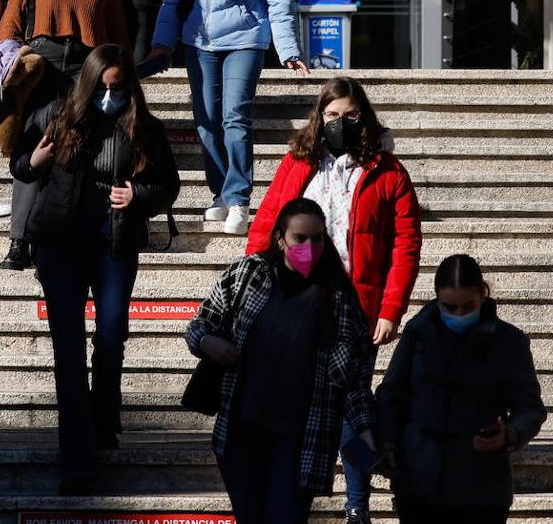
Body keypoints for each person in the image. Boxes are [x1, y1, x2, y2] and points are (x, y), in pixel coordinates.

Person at [247, 76, 422, 524]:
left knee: (353, 398)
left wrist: (390, 310)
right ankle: (296, 496)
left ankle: (357, 505)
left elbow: (405, 245)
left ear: (363, 116)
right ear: (317, 117)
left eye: (349, 115)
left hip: (357, 306)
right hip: (298, 301)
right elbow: (268, 222)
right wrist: (255, 287)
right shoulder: (297, 162)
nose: (339, 123)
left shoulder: (388, 171)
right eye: (330, 116)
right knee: (305, 402)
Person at [11, 44, 179, 494]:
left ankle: (103, 420)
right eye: (103, 87)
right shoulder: (55, 116)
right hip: (60, 243)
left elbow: (168, 185)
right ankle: (79, 461)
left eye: (119, 87)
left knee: (109, 337)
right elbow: (20, 165)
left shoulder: (143, 127)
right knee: (68, 349)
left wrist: (138, 197)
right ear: (88, 84)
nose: (111, 95)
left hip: (114, 240)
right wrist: (36, 162)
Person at [186, 198, 377, 524]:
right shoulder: (247, 275)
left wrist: (367, 432)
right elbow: (200, 324)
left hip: (300, 440)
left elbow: (351, 378)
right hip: (241, 433)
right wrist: (208, 342)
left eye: (317, 238)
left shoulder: (338, 299)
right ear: (280, 239)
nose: (310, 247)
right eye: (299, 239)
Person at [143, 0, 306, 236]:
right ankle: (219, 192)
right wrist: (162, 42)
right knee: (206, 119)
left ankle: (238, 199)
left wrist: (288, 49)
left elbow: (279, 1)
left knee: (234, 115)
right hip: (199, 42)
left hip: (244, 41)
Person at [0, 0, 131, 269]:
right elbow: (11, 17)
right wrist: (2, 68)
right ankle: (20, 240)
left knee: (72, 150)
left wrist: (124, 76)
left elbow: (118, 32)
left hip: (87, 65)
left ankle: (56, 237)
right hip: (42, 63)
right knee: (33, 148)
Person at [378, 255, 546, 524]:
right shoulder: (418, 332)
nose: (458, 314)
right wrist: (387, 444)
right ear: (436, 298)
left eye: (468, 306)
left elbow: (530, 408)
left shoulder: (509, 341)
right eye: (449, 307)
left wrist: (510, 435)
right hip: (421, 479)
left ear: (483, 295)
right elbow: (392, 394)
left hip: (481, 485)